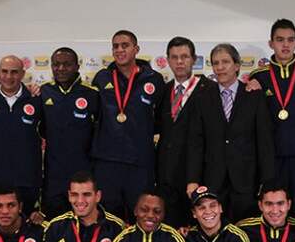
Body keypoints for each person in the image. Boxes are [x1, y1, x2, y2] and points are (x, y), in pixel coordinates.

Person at [186, 43, 275, 222]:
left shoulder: (254, 96)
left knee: (245, 230)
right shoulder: (202, 97)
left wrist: (268, 183)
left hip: (246, 180)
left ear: (237, 65)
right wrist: (192, 179)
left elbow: (264, 142)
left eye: (225, 62)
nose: (220, 67)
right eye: (216, 63)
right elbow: (196, 142)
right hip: (212, 180)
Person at [248, 19, 295, 217]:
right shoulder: (259, 78)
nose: (285, 45)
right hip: (272, 160)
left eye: (290, 40)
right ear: (271, 43)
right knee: (275, 212)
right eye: (280, 40)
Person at [91, 30, 165, 218]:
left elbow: (161, 119)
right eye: (115, 46)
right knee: (108, 218)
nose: (119, 50)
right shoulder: (102, 78)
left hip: (140, 163)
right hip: (108, 162)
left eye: (125, 45)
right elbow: (93, 116)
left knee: (140, 215)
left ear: (136, 49)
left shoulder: (153, 79)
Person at [155, 36, 210, 227]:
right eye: (174, 57)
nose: (179, 62)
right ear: (168, 60)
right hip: (166, 178)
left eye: (185, 57)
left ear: (194, 59)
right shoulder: (164, 90)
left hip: (196, 177)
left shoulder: (209, 89)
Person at [39, 48, 99, 216]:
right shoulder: (43, 93)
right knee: (54, 225)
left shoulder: (92, 94)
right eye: (56, 64)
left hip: (83, 175)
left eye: (67, 64)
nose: (61, 69)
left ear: (77, 66)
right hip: (53, 176)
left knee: (84, 223)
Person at [0, 55, 42, 208]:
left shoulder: (37, 98)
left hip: (27, 180)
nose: (8, 76)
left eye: (14, 72)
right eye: (4, 71)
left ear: (22, 74)